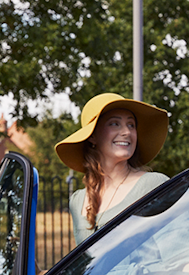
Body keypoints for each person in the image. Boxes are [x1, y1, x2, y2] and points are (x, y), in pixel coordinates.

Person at [55, 92, 171, 245]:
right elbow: (87, 268)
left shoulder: (152, 185)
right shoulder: (77, 201)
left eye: (131, 125)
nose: (127, 132)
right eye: (114, 123)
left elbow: (187, 257)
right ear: (92, 136)